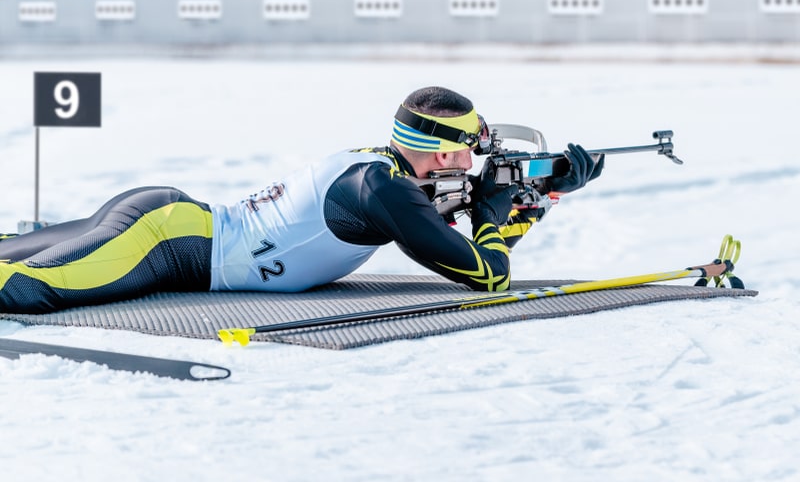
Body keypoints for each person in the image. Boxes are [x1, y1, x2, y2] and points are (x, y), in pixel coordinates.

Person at [0, 86, 603, 314]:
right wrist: (496, 213)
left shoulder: (386, 173)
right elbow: (486, 273)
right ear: (441, 153)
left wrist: (535, 198)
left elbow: (470, 241)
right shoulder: (387, 191)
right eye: (471, 145)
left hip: (171, 222)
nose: (476, 157)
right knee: (24, 289)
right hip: (169, 242)